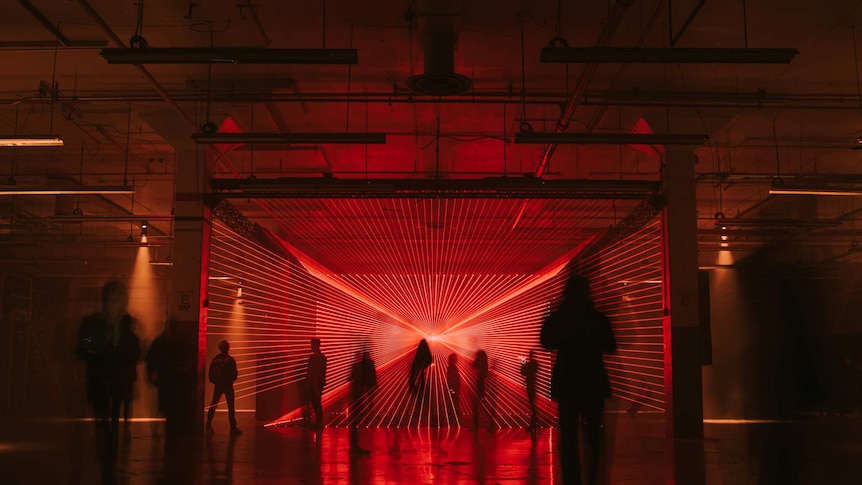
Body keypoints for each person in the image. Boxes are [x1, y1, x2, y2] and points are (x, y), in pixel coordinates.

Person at [541, 274, 616, 485]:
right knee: (593, 438)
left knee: (569, 438)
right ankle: (593, 479)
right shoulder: (597, 318)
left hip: (567, 383)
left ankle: (572, 480)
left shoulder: (559, 318)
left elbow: (546, 341)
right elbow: (610, 345)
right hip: (592, 382)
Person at [76, 279, 141, 442]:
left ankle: (109, 446)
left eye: (120, 299)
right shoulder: (92, 324)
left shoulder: (128, 330)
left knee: (110, 422)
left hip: (118, 384)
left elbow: (135, 354)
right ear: (105, 301)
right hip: (100, 384)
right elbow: (83, 349)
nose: (117, 304)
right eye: (114, 298)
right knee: (104, 424)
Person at [206, 340, 242, 435]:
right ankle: (233, 428)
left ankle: (208, 426)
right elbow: (234, 374)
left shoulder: (215, 359)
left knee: (213, 405)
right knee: (231, 406)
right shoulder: (230, 360)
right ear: (228, 348)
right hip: (228, 385)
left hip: (218, 385)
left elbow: (211, 374)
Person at [348, 349, 377, 454]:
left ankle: (355, 445)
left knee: (356, 419)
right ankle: (355, 445)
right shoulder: (365, 364)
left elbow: (352, 377)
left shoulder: (359, 365)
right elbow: (371, 377)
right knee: (357, 419)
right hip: (359, 392)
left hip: (358, 392)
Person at [303, 338, 327, 428]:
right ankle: (317, 422)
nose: (311, 347)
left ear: (317, 345)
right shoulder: (312, 358)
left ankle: (319, 422)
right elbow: (310, 371)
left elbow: (321, 372)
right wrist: (308, 382)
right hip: (311, 384)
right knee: (314, 403)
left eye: (312, 345)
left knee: (317, 403)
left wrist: (317, 384)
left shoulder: (321, 358)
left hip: (317, 384)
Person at [521, 349, 539, 430]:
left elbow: (523, 372)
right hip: (533, 385)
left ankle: (533, 423)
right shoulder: (535, 364)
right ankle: (533, 423)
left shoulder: (529, 364)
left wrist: (523, 363)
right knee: (532, 405)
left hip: (530, 385)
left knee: (532, 405)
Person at [472, 349, 489, 429]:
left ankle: (476, 425)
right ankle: (490, 423)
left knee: (476, 405)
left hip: (479, 387)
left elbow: (473, 366)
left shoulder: (479, 366)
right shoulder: (485, 366)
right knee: (483, 403)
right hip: (482, 387)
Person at [447, 353, 461, 421]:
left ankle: (453, 418)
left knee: (453, 404)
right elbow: (451, 379)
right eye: (455, 357)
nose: (456, 359)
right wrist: (453, 390)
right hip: (453, 389)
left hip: (454, 389)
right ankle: (452, 419)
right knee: (453, 404)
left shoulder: (453, 367)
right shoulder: (452, 367)